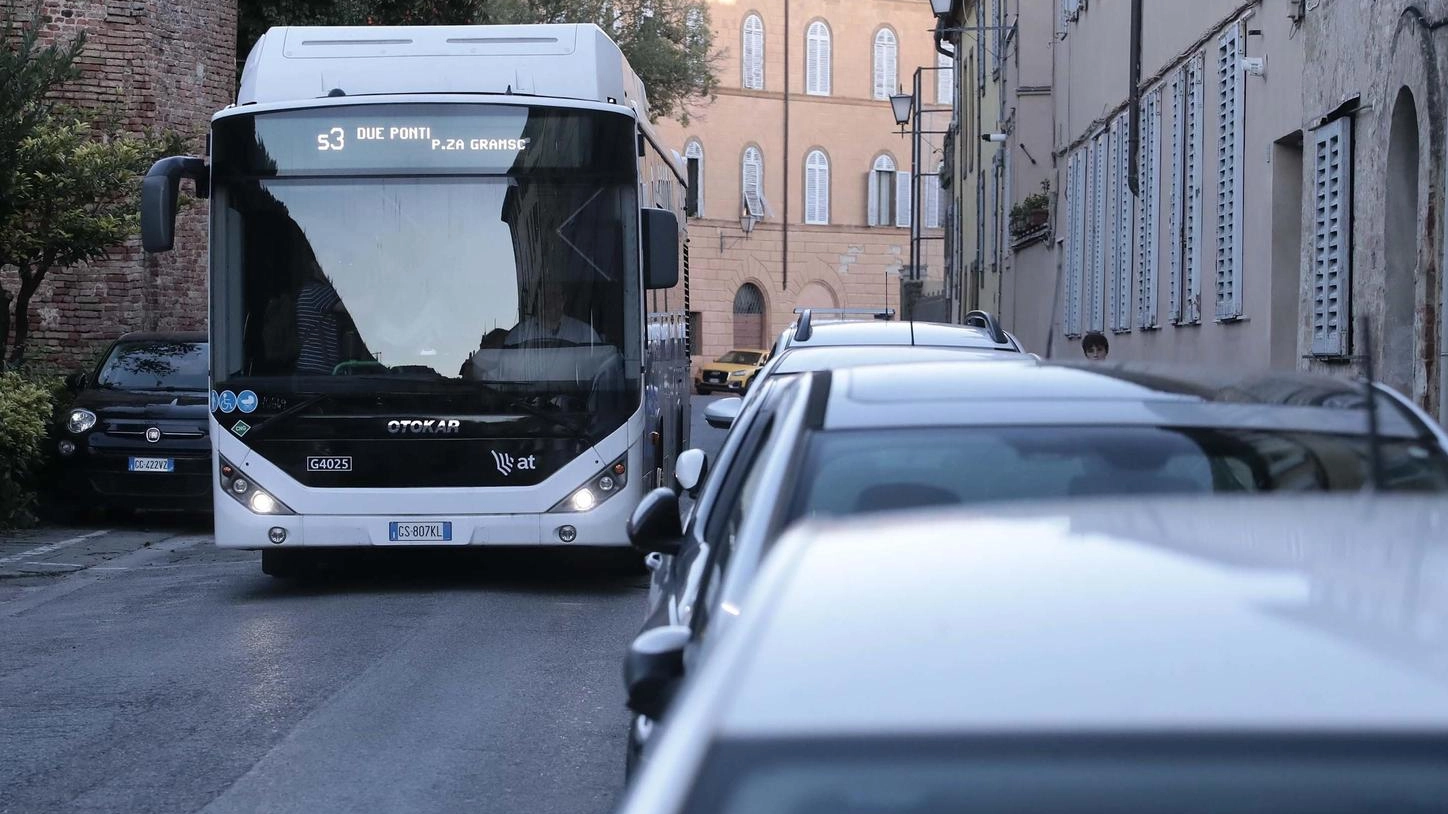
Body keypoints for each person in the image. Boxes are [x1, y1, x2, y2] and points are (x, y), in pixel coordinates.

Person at [504, 279, 602, 347]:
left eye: (554, 295)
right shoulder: (519, 335)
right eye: (544, 295)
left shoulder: (583, 333)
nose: (549, 300)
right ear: (538, 300)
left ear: (563, 300)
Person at [294, 260, 346, 374]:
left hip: (313, 366)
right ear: (314, 266)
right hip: (316, 368)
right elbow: (351, 308)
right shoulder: (317, 291)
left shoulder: (310, 289)